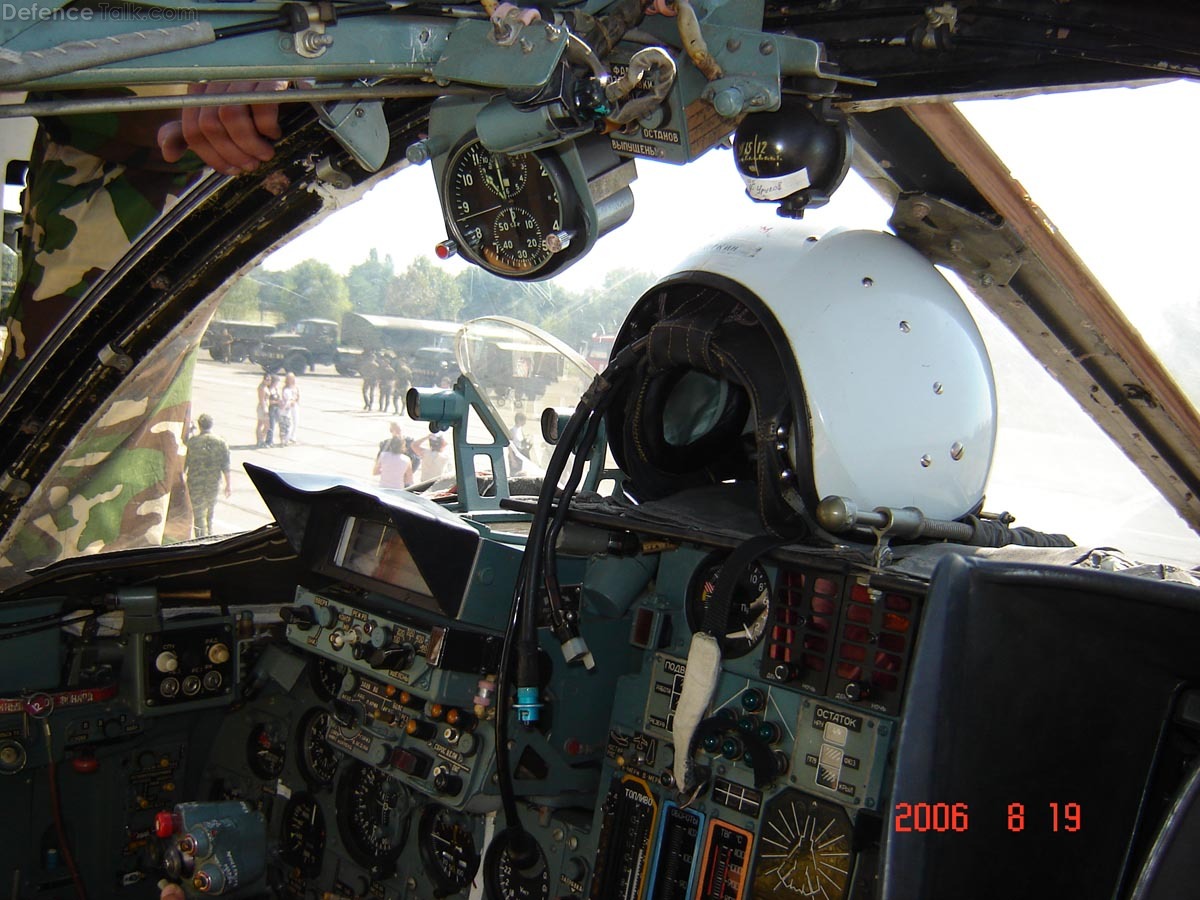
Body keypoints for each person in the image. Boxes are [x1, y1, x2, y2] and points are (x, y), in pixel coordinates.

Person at [184, 413, 232, 538]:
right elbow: (226, 466)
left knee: (198, 514)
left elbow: (184, 465)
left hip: (195, 483)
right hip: (213, 482)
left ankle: (200, 539)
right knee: (210, 512)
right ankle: (210, 536)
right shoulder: (221, 442)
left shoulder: (192, 442)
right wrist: (228, 485)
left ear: (199, 425)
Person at [373, 420, 413, 488]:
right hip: (396, 486)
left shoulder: (409, 442)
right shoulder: (385, 444)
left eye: (399, 429)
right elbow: (409, 479)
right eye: (395, 429)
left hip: (387, 485)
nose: (398, 432)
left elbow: (375, 471)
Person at [508, 411, 533, 475]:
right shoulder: (512, 431)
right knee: (514, 474)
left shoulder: (520, 429)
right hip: (514, 455)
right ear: (519, 420)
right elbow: (510, 446)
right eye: (524, 421)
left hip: (520, 454)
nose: (525, 423)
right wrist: (512, 460)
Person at [280, 371, 300, 445]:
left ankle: (293, 436)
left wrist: (296, 402)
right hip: (288, 406)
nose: (290, 379)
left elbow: (298, 396)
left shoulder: (296, 387)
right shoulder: (285, 387)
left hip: (295, 405)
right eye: (289, 378)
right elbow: (283, 397)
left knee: (296, 421)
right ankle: (287, 437)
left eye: (292, 378)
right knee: (289, 422)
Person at [255, 373, 276, 447]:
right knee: (265, 425)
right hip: (262, 408)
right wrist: (265, 410)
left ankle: (261, 440)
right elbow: (262, 400)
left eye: (270, 380)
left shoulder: (266, 387)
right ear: (263, 380)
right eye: (267, 380)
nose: (269, 381)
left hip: (266, 406)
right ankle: (260, 440)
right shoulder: (262, 388)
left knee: (262, 425)